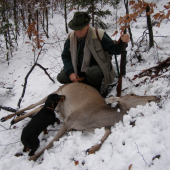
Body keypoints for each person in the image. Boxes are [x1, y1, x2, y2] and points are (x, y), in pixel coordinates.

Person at [57, 11, 129, 91]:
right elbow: (65, 56)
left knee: (93, 73)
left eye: (81, 29)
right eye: (76, 30)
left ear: (87, 25)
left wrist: (123, 42)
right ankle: (76, 89)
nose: (78, 32)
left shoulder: (99, 34)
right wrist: (70, 72)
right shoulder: (71, 38)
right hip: (77, 71)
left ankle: (96, 90)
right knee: (61, 77)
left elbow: (114, 49)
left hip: (96, 70)